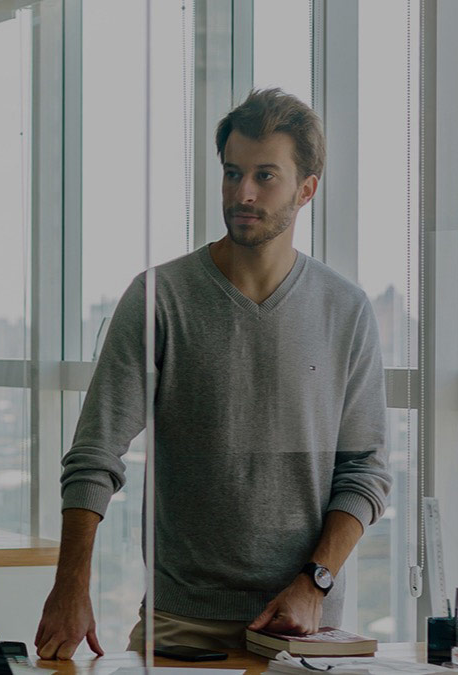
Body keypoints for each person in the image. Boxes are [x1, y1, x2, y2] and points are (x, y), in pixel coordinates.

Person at [35, 89, 392, 660]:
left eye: (265, 176)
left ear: (307, 190)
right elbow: (95, 452)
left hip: (302, 625)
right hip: (181, 622)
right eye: (232, 173)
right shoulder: (159, 297)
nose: (242, 193)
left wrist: (314, 583)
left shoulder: (345, 310)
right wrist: (69, 586)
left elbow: (365, 471)